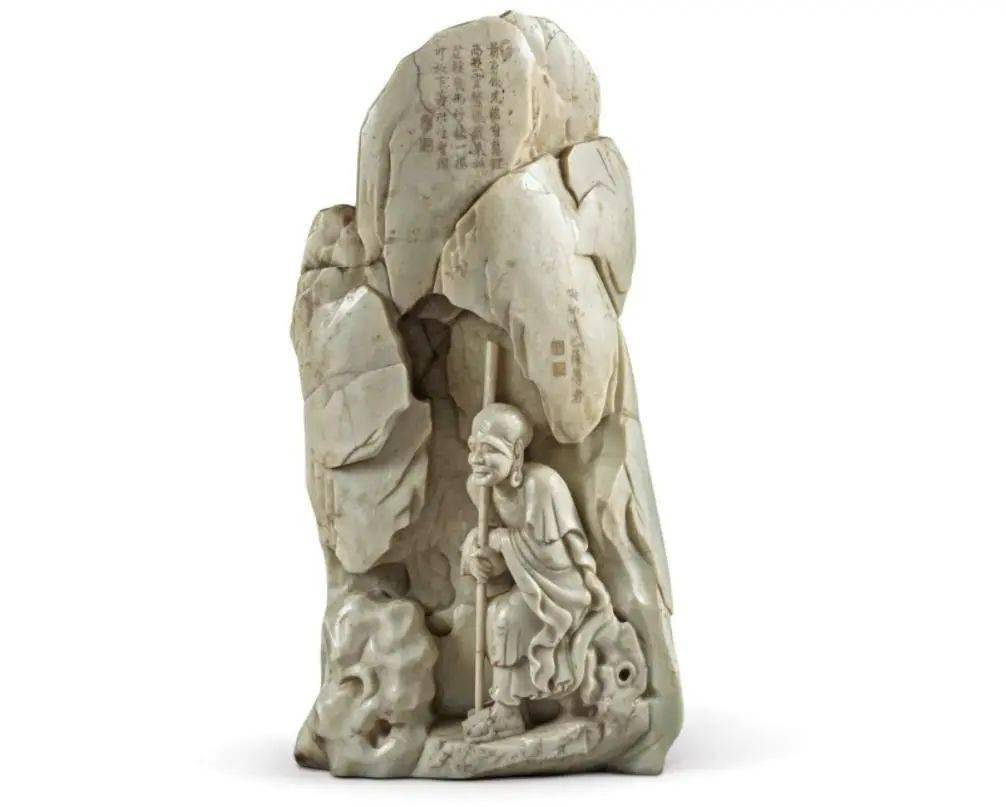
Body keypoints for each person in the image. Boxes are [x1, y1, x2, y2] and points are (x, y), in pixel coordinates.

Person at [461, 403, 611, 742]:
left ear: (516, 453)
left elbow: (552, 558)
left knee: (507, 617)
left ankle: (507, 714)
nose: (477, 459)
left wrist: (501, 541)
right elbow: (494, 548)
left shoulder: (541, 485)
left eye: (489, 450)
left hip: (562, 589)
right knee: (498, 612)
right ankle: (504, 707)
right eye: (473, 448)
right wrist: (479, 557)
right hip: (528, 583)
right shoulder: (479, 488)